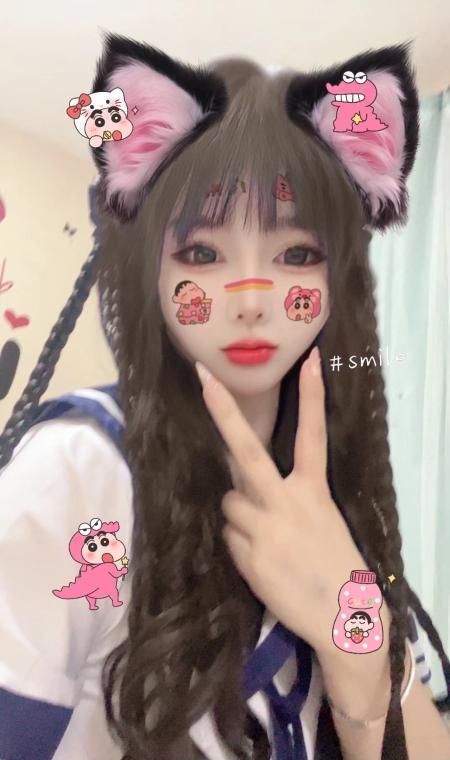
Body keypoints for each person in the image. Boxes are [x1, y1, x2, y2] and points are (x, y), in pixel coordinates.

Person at [0, 31, 449, 760]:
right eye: (203, 253)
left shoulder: (342, 488)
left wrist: (357, 640)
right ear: (151, 269)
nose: (250, 299)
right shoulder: (81, 472)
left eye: (296, 252)